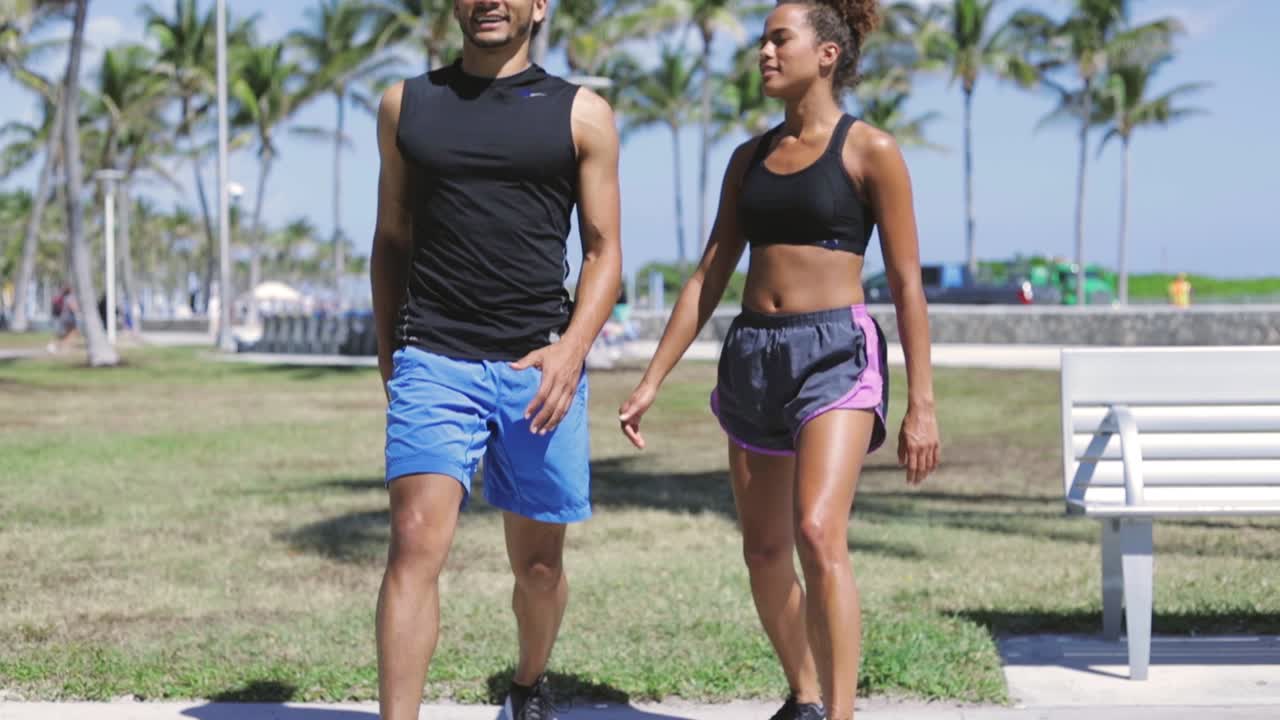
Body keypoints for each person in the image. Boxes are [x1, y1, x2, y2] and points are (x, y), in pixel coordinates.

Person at [618, 2, 939, 719]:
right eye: (762, 40)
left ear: (827, 54)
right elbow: (708, 274)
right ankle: (806, 695)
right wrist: (651, 380)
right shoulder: (748, 159)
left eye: (779, 39)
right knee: (764, 552)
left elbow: (908, 284)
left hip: (835, 355)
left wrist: (921, 403)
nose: (763, 52)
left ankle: (841, 714)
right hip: (753, 356)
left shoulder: (871, 151)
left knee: (818, 533)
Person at [368, 0, 622, 717]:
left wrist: (571, 351)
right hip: (434, 355)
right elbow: (391, 239)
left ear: (539, 6)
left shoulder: (582, 114)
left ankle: (527, 685)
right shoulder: (406, 106)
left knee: (539, 568)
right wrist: (392, 354)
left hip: (539, 368)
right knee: (413, 542)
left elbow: (604, 251)